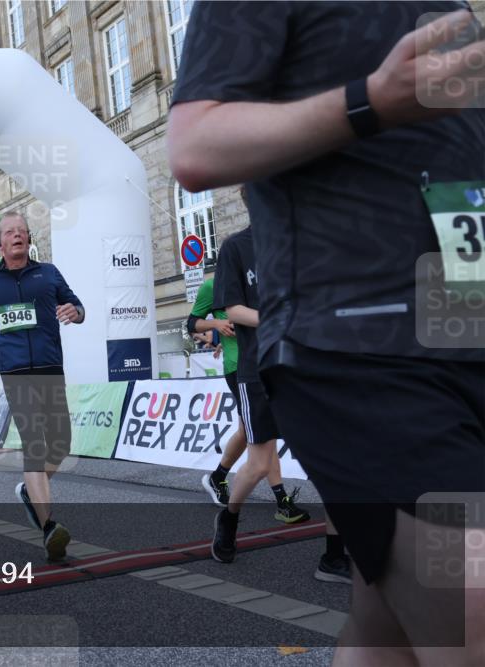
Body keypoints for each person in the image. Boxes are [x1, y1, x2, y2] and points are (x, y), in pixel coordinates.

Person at [169, 4, 484, 660]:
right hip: (360, 341)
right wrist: (368, 102)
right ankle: (229, 506)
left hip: (466, 329)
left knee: (385, 626)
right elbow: (193, 146)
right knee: (468, 608)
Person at [0, 210, 84, 561]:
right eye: (10, 232)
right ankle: (50, 527)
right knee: (35, 445)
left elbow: (77, 305)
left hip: (51, 367)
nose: (18, 235)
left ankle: (29, 490)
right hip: (16, 372)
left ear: (29, 238)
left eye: (22, 230)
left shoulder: (48, 273)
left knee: (61, 444)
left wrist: (75, 312)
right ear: (0, 243)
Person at [209, 227, 315, 562]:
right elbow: (233, 309)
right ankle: (230, 517)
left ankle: (337, 551)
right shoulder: (236, 247)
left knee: (328, 455)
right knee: (257, 465)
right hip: (257, 369)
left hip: (299, 368)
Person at [189, 245, 308, 526]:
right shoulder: (210, 287)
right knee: (260, 432)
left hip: (265, 361)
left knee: (254, 430)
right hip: (237, 366)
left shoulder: (260, 279)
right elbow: (191, 323)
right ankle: (279, 500)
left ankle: (218, 477)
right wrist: (217, 327)